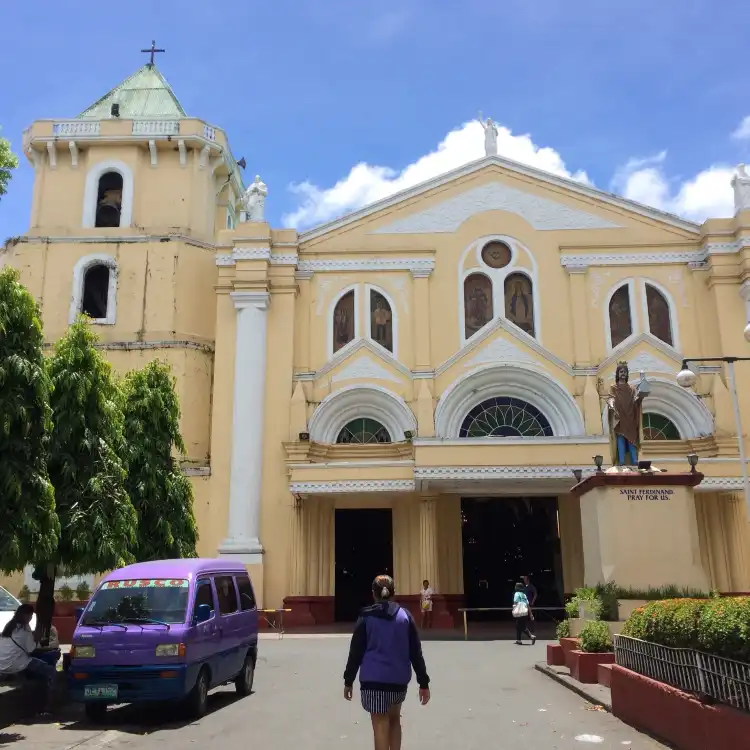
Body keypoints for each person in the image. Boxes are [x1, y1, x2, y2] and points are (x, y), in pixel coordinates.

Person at [344, 575, 431, 750]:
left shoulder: (366, 618)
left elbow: (356, 652)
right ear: (393, 593)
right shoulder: (405, 617)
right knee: (394, 720)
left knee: (379, 726)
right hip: (397, 682)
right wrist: (423, 683)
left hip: (372, 682)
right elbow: (416, 652)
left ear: (373, 594)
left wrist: (348, 680)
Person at [0, 604, 56, 710]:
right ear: (26, 615)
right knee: (51, 671)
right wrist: (37, 637)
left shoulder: (10, 625)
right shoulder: (24, 629)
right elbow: (31, 649)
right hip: (17, 663)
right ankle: (48, 706)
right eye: (30, 616)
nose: (30, 618)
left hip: (2, 663)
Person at [521, 574, 537, 639]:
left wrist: (532, 602)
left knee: (531, 616)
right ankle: (525, 629)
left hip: (529, 604)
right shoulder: (523, 587)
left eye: (525, 579)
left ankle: (532, 629)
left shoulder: (531, 586)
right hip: (524, 604)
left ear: (527, 579)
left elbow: (535, 594)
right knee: (524, 616)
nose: (524, 580)